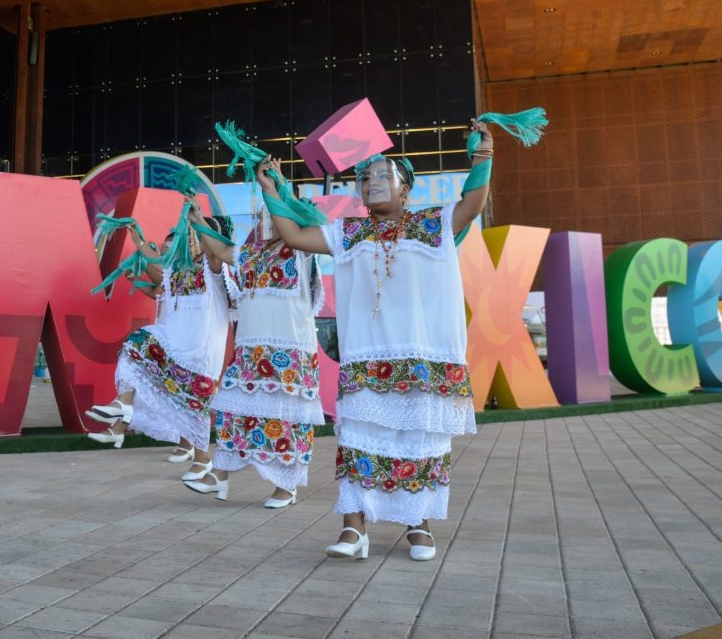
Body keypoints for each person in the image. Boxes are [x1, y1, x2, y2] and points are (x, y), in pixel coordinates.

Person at [259, 119, 492, 561]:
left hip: (424, 358)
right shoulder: (346, 233)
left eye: (384, 175)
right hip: (366, 358)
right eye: (365, 177)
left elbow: (473, 202)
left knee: (419, 441)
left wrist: (483, 155)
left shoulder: (434, 223)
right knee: (358, 439)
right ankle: (354, 530)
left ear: (406, 190)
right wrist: (271, 187)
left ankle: (418, 526)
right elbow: (291, 235)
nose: (372, 182)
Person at [184, 207, 325, 508]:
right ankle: (219, 475)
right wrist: (199, 224)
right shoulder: (250, 252)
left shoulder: (302, 249)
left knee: (285, 419)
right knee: (230, 411)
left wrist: (276, 191)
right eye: (262, 214)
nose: (267, 219)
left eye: (274, 212)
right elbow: (221, 250)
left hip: (291, 350)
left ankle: (286, 486)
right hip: (250, 349)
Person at [86, 210, 233, 456]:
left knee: (194, 404)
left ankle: (200, 459)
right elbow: (157, 267)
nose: (187, 239)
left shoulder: (213, 267)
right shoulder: (176, 270)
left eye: (195, 235)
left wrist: (196, 219)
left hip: (200, 348)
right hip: (174, 342)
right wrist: (140, 242)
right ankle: (122, 409)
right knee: (136, 346)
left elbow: (207, 252)